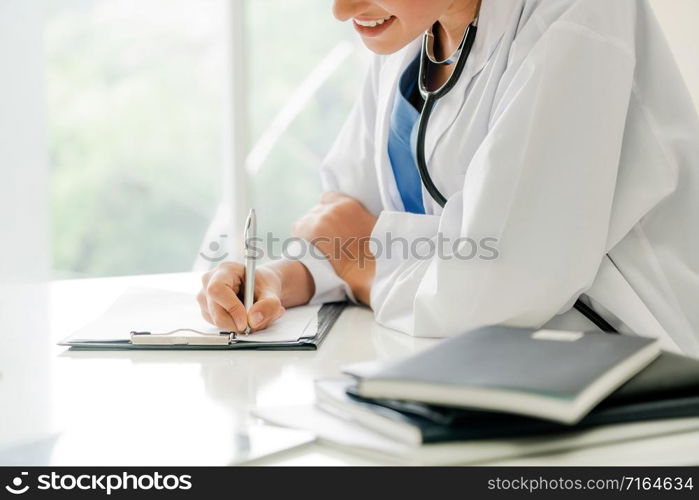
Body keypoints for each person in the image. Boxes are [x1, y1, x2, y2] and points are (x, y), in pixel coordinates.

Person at [198, 0, 699, 356]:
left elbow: (502, 288)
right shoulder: (411, 33)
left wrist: (360, 261)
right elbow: (344, 216)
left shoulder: (579, 16)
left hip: (631, 371)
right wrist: (279, 281)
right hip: (475, 365)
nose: (341, 8)